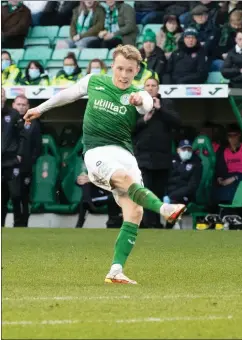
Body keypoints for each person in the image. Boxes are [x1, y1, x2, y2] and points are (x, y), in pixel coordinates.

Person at [23, 44, 186, 285]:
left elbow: (147, 104)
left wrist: (139, 98)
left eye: (129, 70)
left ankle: (116, 269)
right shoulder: (94, 81)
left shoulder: (138, 92)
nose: (123, 74)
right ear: (113, 66)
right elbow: (68, 94)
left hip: (124, 153)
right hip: (97, 152)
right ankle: (163, 209)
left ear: (136, 71)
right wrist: (40, 108)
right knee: (123, 179)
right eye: (120, 68)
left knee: (135, 210)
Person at [133, 76, 181, 228]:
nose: (150, 88)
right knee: (145, 191)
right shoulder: (137, 104)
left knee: (158, 191)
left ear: (158, 88)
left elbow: (177, 122)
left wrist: (161, 109)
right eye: (147, 85)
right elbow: (129, 128)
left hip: (162, 156)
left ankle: (156, 222)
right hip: (143, 157)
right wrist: (144, 120)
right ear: (144, 88)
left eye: (153, 85)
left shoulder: (167, 104)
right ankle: (147, 223)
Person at [12, 95, 41, 227]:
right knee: (12, 195)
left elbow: (37, 146)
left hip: (25, 167)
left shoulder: (33, 124)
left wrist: (30, 161)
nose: (21, 107)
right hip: (8, 166)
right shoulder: (7, 122)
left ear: (28, 107)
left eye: (24, 104)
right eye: (19, 104)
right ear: (13, 105)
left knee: (24, 196)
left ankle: (23, 225)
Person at [1, 88, 28, 227]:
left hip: (11, 161)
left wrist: (19, 154)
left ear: (5, 98)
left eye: (2, 95)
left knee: (16, 195)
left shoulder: (13, 114)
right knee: (1, 198)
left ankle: (18, 225)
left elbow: (23, 136)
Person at [163, 139, 202, 229]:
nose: (187, 152)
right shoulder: (171, 161)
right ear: (178, 150)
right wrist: (164, 194)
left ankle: (168, 229)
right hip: (168, 193)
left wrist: (171, 196)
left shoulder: (196, 164)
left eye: (189, 150)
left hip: (184, 196)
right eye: (184, 149)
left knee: (173, 205)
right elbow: (164, 179)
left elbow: (191, 187)